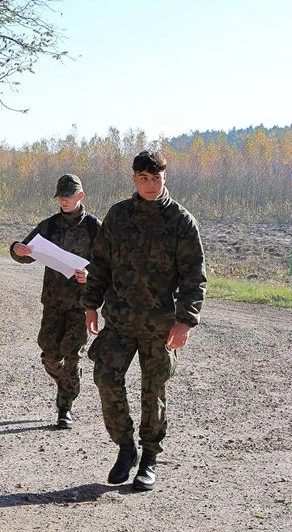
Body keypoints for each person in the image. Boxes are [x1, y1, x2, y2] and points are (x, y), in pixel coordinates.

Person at [82, 150, 206, 492]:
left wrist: (185, 321)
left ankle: (150, 457)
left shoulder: (181, 221)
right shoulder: (119, 216)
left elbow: (194, 278)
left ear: (165, 177)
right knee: (106, 377)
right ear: (134, 178)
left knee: (153, 392)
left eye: (156, 178)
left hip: (160, 326)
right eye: (143, 178)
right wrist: (91, 305)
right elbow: (100, 263)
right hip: (120, 320)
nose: (150, 184)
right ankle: (126, 447)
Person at [9, 174, 100, 429]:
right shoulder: (49, 226)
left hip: (81, 303)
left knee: (72, 354)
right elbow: (27, 252)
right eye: (60, 197)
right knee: (49, 353)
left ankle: (64, 407)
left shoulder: (95, 227)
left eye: (68, 196)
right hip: (53, 302)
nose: (63, 201)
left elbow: (109, 263)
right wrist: (17, 249)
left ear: (80, 196)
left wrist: (91, 274)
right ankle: (67, 381)